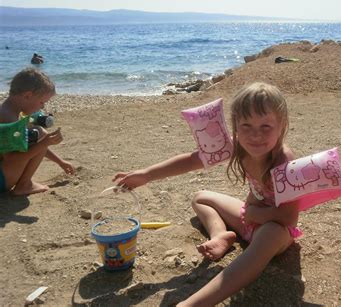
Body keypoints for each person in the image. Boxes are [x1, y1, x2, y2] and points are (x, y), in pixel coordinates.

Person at [114, 82, 301, 306]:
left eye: (265, 126)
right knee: (200, 197)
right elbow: (194, 159)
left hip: (276, 232)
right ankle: (220, 235)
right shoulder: (237, 147)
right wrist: (146, 175)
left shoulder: (284, 161)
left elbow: (289, 217)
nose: (255, 135)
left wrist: (255, 215)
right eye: (246, 125)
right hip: (249, 219)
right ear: (235, 125)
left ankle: (193, 304)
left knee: (269, 233)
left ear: (282, 125)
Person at [0, 67, 75, 195]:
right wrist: (45, 143)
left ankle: (25, 183)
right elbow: (11, 160)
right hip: (2, 180)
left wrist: (60, 161)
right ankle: (24, 185)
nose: (42, 107)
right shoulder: (9, 119)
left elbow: (32, 143)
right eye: (42, 102)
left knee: (38, 133)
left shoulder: (8, 110)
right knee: (40, 133)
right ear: (28, 95)